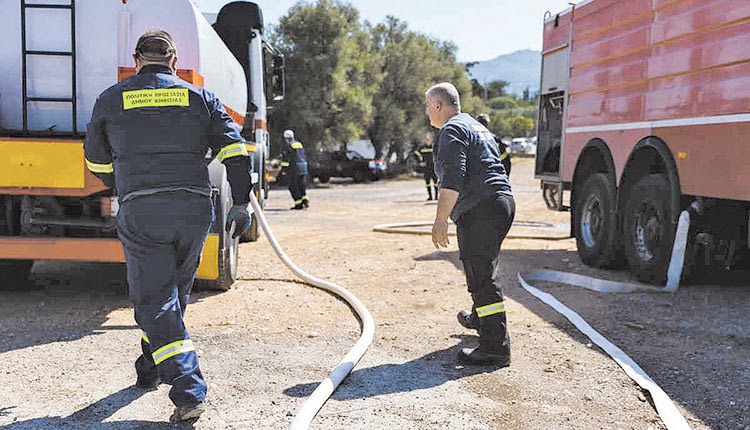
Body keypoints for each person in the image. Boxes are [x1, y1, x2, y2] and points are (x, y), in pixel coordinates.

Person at [84, 30, 253, 422]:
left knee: (154, 298)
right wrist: (242, 201)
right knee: (169, 292)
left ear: (137, 61)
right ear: (174, 62)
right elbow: (235, 151)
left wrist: (123, 183)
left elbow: (95, 160)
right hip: (194, 210)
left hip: (143, 212)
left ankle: (188, 388)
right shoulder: (201, 97)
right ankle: (150, 369)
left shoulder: (111, 98)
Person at [425, 82, 516, 366]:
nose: (427, 112)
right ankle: (480, 319)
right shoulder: (474, 125)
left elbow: (454, 176)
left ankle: (495, 348)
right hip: (500, 202)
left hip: (481, 208)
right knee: (482, 267)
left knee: (481, 277)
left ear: (438, 106)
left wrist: (441, 220)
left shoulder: (451, 130)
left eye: (428, 106)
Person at [280, 129, 309, 210]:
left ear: (286, 138)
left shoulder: (288, 146)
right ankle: (305, 201)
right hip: (303, 168)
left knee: (293, 187)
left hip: (294, 169)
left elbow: (286, 159)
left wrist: (284, 170)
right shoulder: (299, 144)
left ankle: (298, 204)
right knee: (302, 185)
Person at [414, 135, 439, 200]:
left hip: (434, 167)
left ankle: (436, 197)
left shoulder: (434, 146)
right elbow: (416, 153)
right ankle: (430, 196)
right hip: (426, 167)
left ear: (431, 140)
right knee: (427, 182)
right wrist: (420, 161)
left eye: (429, 139)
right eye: (426, 139)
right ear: (424, 140)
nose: (428, 141)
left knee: (435, 182)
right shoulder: (421, 147)